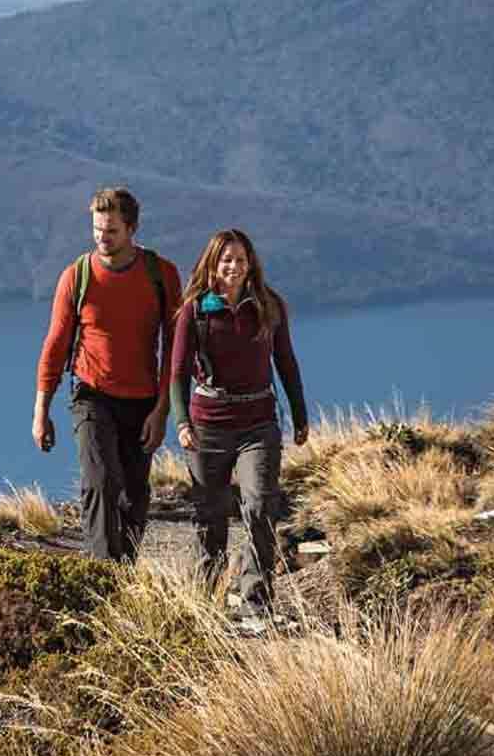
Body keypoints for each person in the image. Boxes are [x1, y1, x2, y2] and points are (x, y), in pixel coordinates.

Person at [33, 185, 184, 563]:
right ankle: (104, 576)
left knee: (133, 495)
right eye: (97, 229)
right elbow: (54, 344)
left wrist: (162, 410)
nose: (102, 237)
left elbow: (176, 351)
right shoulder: (77, 276)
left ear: (132, 229)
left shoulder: (161, 275)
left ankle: (124, 570)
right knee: (100, 483)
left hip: (143, 399)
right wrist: (41, 412)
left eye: (111, 230)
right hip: (91, 394)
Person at [166, 228, 310, 617]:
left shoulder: (268, 306)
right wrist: (181, 423)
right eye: (226, 259)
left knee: (261, 506)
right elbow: (177, 372)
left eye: (240, 260)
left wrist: (300, 415)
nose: (233, 266)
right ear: (213, 264)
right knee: (210, 517)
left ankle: (255, 601)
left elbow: (287, 364)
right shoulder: (195, 311)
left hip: (258, 423)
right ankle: (202, 602)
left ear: (251, 265)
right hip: (207, 426)